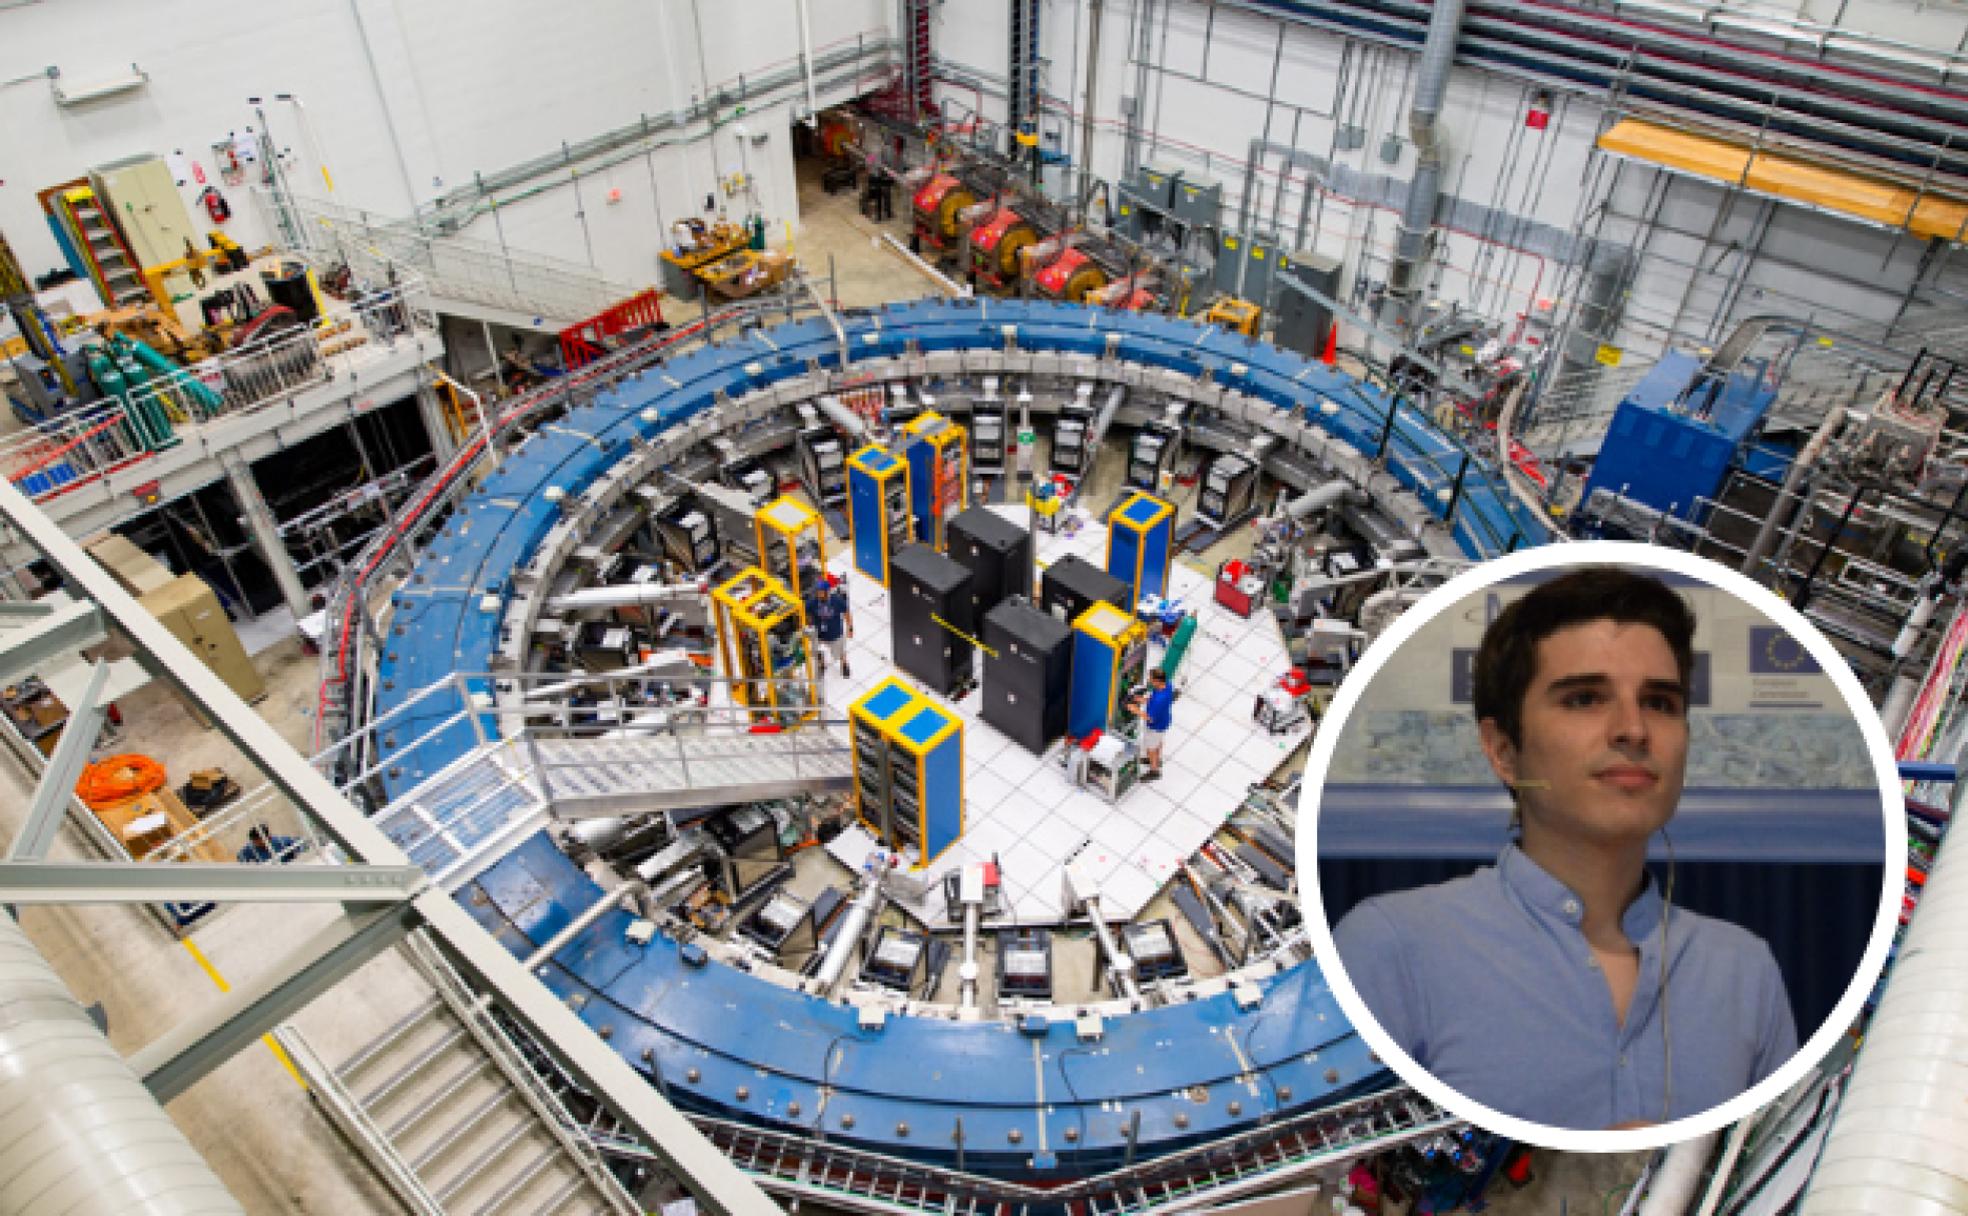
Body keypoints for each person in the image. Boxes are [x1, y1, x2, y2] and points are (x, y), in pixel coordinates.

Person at [1331, 567, 1797, 1130]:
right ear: (1504, 750)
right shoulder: (1393, 948)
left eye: (1661, 703)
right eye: (1584, 699)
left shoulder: (1745, 973)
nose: (1633, 730)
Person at [1131, 667, 1176, 781]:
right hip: (1164, 720)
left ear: (1157, 681)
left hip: (1155, 726)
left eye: (1151, 679)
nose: (1149, 680)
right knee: (1157, 742)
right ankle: (1156, 759)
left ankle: (1154, 770)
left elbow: (1150, 718)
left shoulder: (1159, 700)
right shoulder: (1167, 686)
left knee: (1151, 748)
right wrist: (1142, 700)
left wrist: (1135, 710)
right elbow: (1153, 698)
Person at [809, 574, 854, 679]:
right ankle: (821, 665)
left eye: (821, 592)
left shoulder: (836, 601)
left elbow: (846, 613)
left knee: (840, 651)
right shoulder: (813, 602)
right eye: (818, 592)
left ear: (827, 592)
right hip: (819, 634)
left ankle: (844, 664)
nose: (819, 594)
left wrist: (850, 628)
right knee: (817, 650)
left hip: (835, 633)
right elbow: (804, 611)